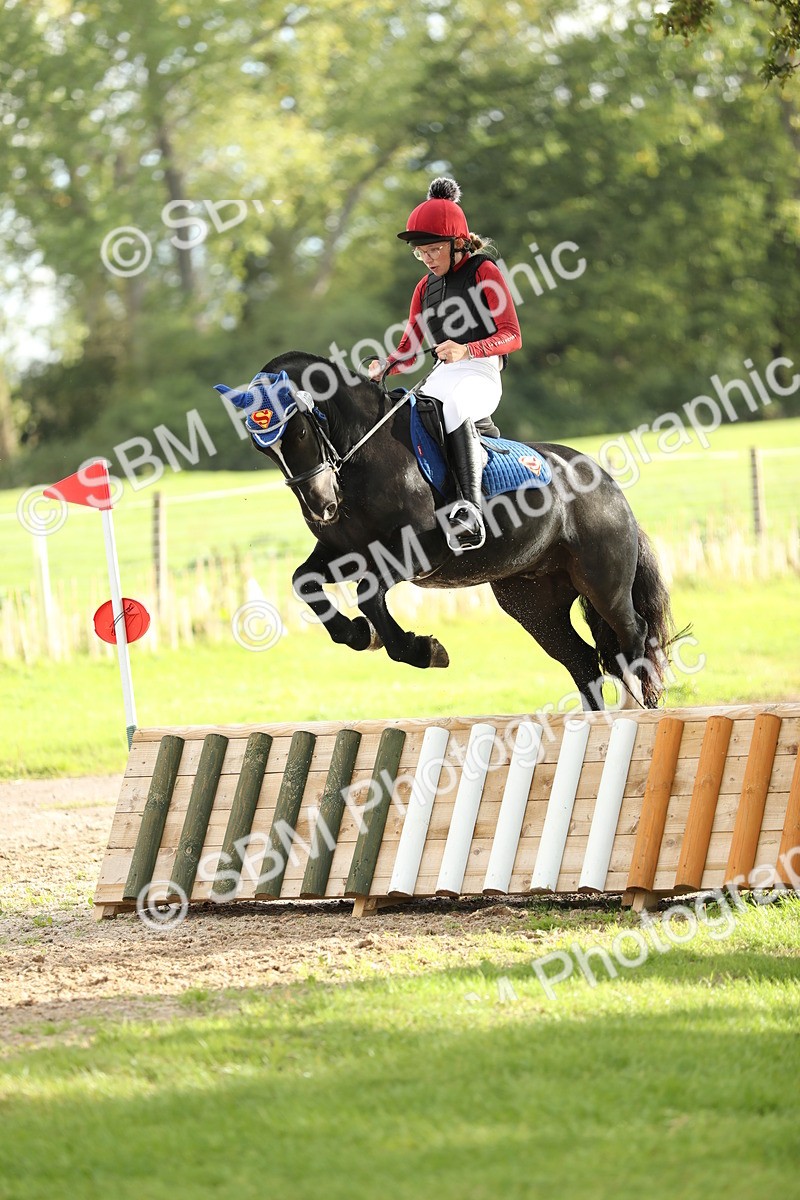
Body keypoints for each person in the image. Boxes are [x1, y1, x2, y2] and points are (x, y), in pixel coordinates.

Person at [369, 176, 522, 551]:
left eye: (434, 250)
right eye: (420, 253)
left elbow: (512, 335)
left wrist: (466, 350)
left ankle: (469, 509)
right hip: (442, 375)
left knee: (452, 404)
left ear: (458, 243)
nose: (427, 259)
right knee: (401, 413)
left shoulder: (483, 271)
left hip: (481, 372)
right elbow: (408, 349)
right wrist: (383, 366)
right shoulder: (424, 287)